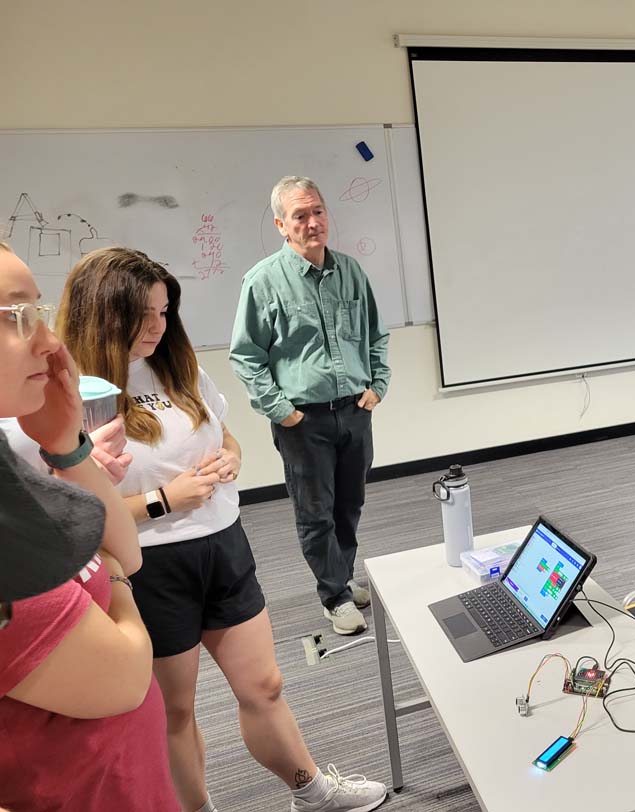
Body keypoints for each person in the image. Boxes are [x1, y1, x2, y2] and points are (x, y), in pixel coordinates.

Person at [59, 247, 388, 812]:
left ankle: (310, 790)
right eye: (143, 315)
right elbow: (74, 508)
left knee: (265, 688)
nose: (157, 328)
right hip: (149, 566)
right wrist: (164, 500)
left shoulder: (178, 366)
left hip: (224, 545)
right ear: (103, 313)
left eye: (165, 313)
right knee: (176, 712)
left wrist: (231, 458)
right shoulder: (74, 393)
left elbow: (223, 434)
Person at [0, 241, 178, 811]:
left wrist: (66, 445)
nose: (50, 342)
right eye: (16, 316)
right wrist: (120, 581)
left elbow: (127, 548)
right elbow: (125, 674)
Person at [230, 176, 391, 635]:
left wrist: (378, 384)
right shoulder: (263, 281)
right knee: (315, 511)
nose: (313, 222)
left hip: (355, 410)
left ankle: (341, 575)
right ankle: (334, 595)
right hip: (304, 419)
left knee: (349, 504)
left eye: (318, 211)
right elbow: (246, 355)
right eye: (300, 216)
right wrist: (281, 410)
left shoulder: (351, 271)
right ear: (282, 225)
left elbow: (376, 333)